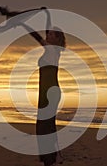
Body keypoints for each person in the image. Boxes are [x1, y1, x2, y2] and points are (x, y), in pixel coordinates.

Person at [19, 9, 66, 166]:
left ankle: (49, 160)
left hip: (50, 92)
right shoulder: (53, 50)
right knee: (45, 125)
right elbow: (45, 32)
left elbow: (37, 36)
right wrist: (47, 14)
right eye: (48, 34)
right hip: (47, 92)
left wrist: (22, 24)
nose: (48, 36)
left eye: (51, 35)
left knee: (44, 126)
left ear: (57, 39)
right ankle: (53, 157)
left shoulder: (52, 49)